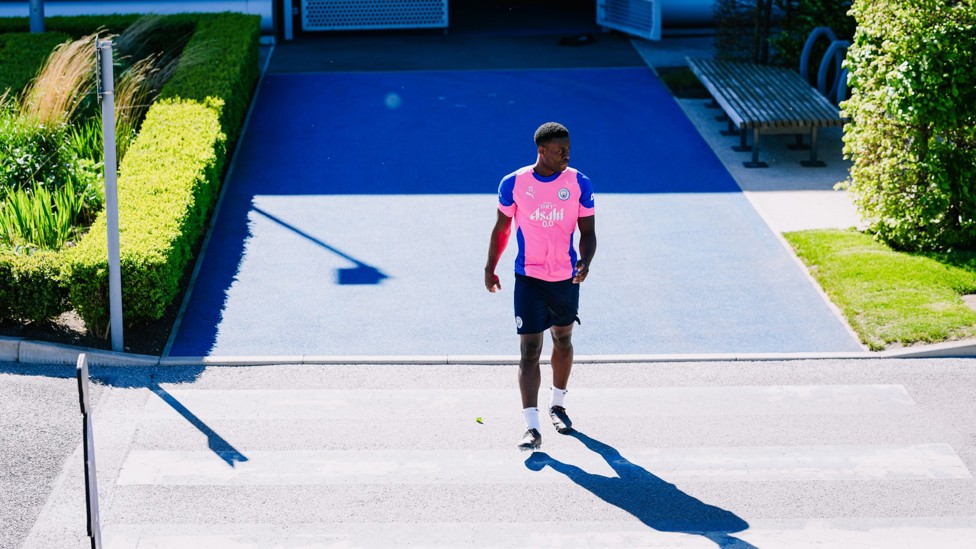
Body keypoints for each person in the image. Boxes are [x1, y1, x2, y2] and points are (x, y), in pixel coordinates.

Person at [484, 121, 597, 451]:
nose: (566, 154)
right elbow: (502, 228)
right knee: (529, 350)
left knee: (562, 340)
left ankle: (558, 404)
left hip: (564, 278)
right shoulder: (515, 183)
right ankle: (531, 427)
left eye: (569, 149)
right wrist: (490, 267)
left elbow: (588, 232)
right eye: (560, 150)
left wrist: (585, 261)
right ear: (541, 150)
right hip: (529, 279)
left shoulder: (578, 183)